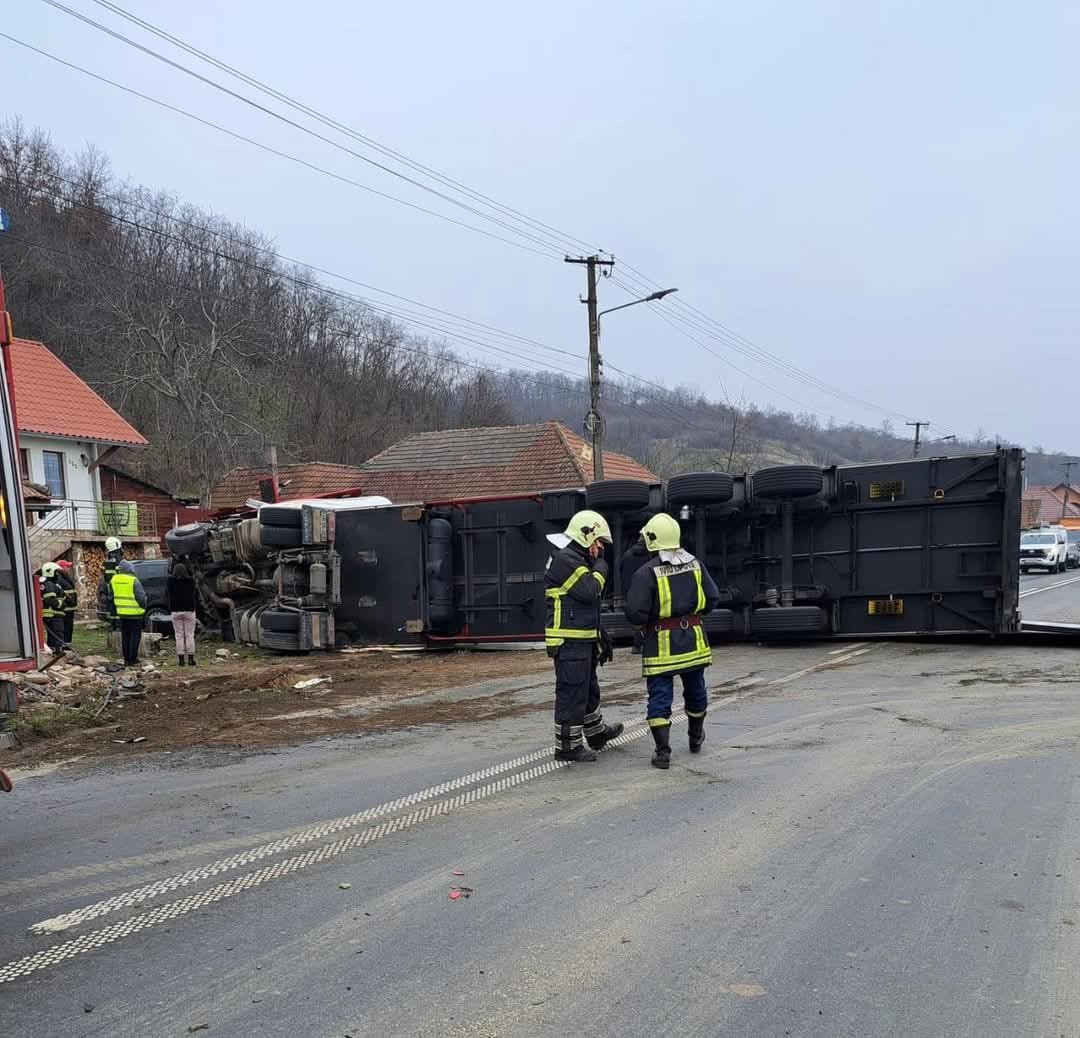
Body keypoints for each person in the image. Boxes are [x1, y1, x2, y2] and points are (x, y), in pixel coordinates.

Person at [624, 512, 721, 770]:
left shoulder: (646, 573)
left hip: (661, 645)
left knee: (660, 697)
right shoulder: (696, 564)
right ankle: (695, 737)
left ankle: (662, 752)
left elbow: (635, 613)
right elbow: (712, 598)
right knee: (696, 690)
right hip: (693, 641)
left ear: (652, 539)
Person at [544, 509, 624, 762]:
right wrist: (602, 567)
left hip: (580, 638)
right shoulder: (565, 559)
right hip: (568, 641)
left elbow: (584, 603)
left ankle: (596, 732)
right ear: (585, 535)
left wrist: (598, 634)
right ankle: (567, 746)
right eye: (598, 541)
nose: (600, 548)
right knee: (572, 693)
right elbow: (589, 591)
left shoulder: (574, 559)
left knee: (588, 689)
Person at [108, 558, 148, 666]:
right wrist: (143, 608)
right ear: (131, 569)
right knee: (135, 636)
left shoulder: (113, 580)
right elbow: (141, 598)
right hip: (135, 614)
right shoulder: (133, 580)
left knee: (125, 636)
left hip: (122, 613)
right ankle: (132, 659)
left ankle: (126, 658)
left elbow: (110, 596)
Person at [619, 532, 651, 654]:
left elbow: (620, 570)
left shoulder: (627, 554)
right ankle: (641, 643)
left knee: (636, 616)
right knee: (647, 616)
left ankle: (637, 644)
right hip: (644, 588)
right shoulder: (649, 556)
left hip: (629, 589)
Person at [167, 562, 198, 666]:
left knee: (179, 635)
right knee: (189, 635)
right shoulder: (191, 581)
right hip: (189, 610)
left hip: (175, 610)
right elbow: (195, 593)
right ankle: (190, 658)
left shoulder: (170, 582)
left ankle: (181, 659)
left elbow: (167, 594)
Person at [39, 563, 68, 653]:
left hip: (51, 614)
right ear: (50, 572)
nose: (57, 575)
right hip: (54, 614)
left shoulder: (46, 583)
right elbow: (50, 600)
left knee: (52, 635)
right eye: (56, 573)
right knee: (58, 633)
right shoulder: (49, 584)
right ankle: (58, 651)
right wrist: (62, 603)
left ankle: (53, 650)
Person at [96, 536, 124, 628]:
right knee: (120, 618)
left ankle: (114, 628)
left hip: (111, 594)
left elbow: (106, 580)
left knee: (114, 616)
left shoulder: (108, 562)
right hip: (122, 594)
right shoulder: (121, 562)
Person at [55, 560, 78, 647]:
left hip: (70, 607)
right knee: (65, 627)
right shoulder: (59, 578)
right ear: (61, 568)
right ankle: (64, 645)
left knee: (69, 627)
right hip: (65, 608)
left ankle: (67, 644)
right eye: (67, 566)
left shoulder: (65, 577)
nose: (69, 568)